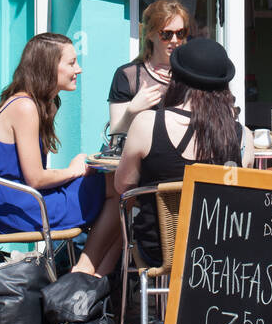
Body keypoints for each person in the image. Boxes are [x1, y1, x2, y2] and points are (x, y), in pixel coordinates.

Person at [0, 33, 121, 277]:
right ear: (48, 66)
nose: (79, 69)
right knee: (119, 191)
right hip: (19, 205)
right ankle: (83, 275)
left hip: (23, 198)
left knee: (122, 197)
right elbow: (35, 178)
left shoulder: (44, 104)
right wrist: (74, 170)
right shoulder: (25, 107)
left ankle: (92, 282)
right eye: (71, 63)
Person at [108, 37, 254, 268]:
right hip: (220, 253)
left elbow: (123, 187)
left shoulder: (147, 124)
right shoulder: (243, 136)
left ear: (176, 79)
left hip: (160, 251)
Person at [107, 0, 191, 136]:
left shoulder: (193, 73)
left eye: (180, 33)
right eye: (166, 34)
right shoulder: (128, 75)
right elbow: (116, 136)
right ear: (150, 34)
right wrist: (132, 111)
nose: (175, 40)